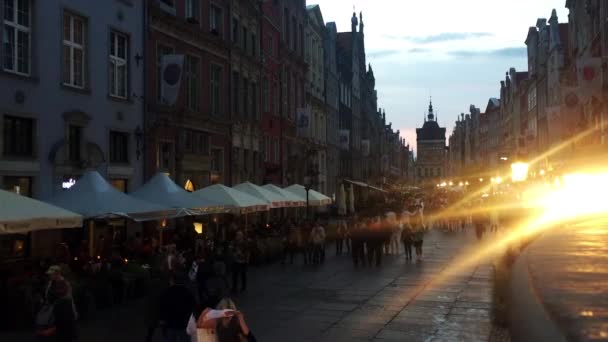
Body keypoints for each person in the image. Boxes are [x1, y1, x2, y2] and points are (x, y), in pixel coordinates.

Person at [36, 278, 76, 342]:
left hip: (56, 334)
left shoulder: (61, 302)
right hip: (59, 334)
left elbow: (65, 322)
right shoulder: (64, 302)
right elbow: (66, 322)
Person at [159, 273, 196, 342]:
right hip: (184, 323)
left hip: (170, 323)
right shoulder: (187, 292)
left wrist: (161, 320)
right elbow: (193, 306)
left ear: (172, 281)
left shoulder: (167, 292)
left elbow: (162, 307)